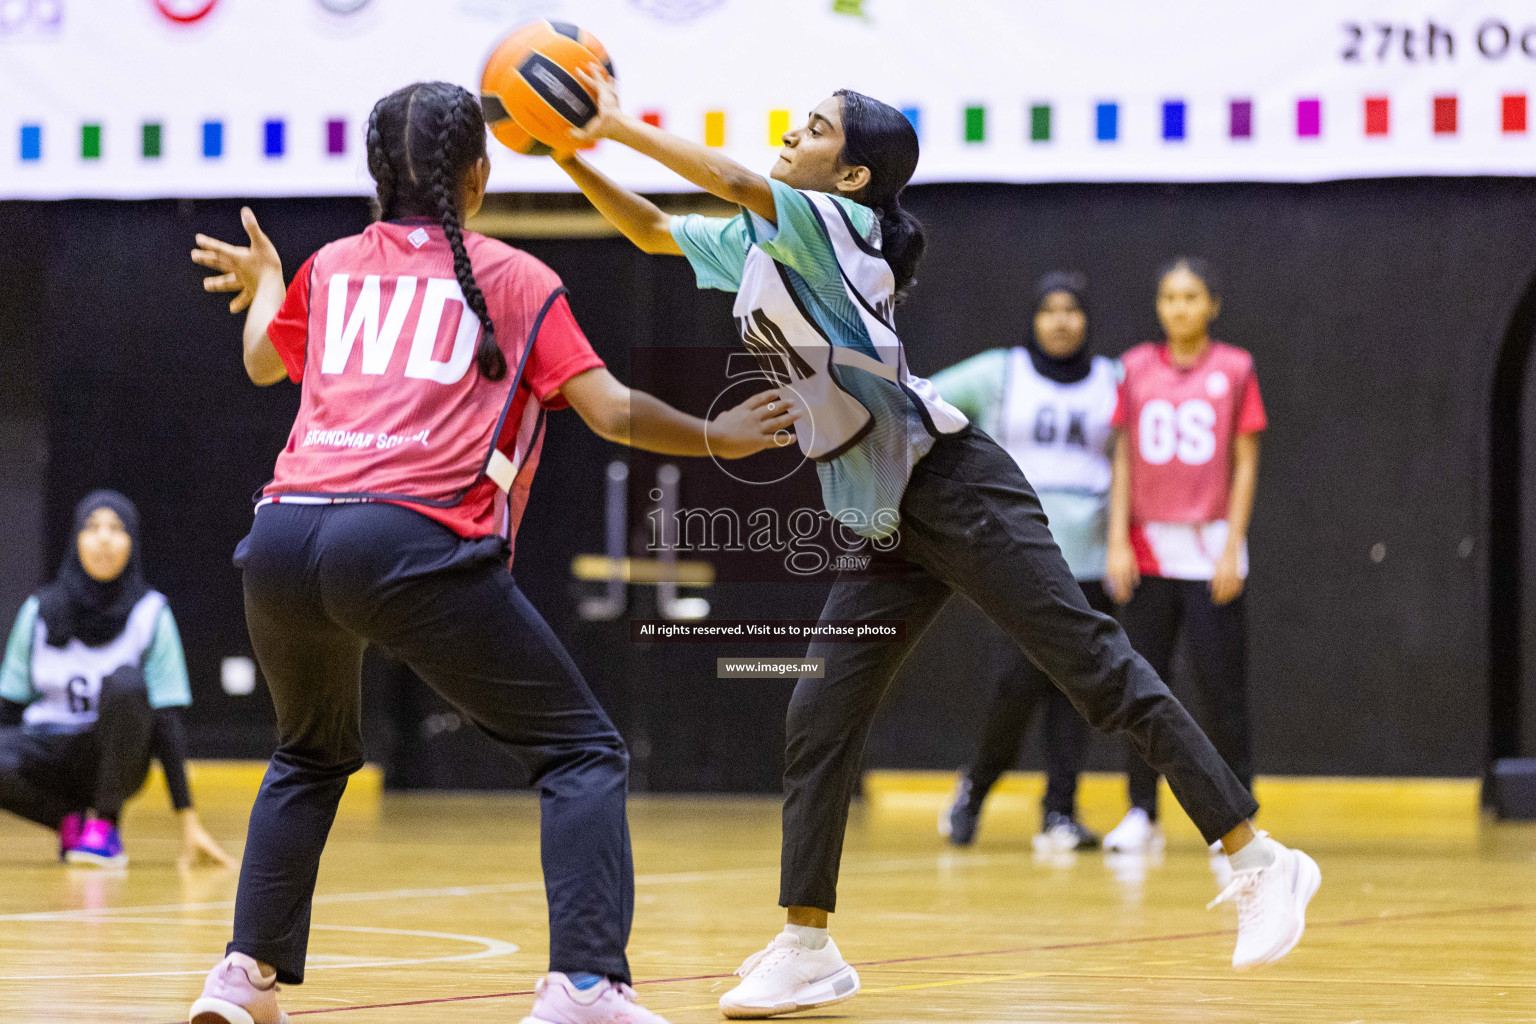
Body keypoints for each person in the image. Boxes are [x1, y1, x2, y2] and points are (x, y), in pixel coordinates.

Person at [554, 73, 1320, 1018]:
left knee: (1096, 670)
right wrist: (569, 155)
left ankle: (1259, 858)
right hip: (885, 514)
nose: (793, 133)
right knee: (819, 713)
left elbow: (732, 180)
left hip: (953, 483)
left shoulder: (837, 226)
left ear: (854, 172)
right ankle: (806, 943)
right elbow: (649, 230)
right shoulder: (763, 242)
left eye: (817, 128)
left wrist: (614, 123)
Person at [185, 82, 795, 1024]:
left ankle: (242, 976)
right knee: (581, 751)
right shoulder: (511, 275)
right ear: (480, 173)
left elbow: (264, 362)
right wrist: (726, 437)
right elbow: (612, 410)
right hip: (403, 537)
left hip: (282, 536)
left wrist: (270, 279)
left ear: (375, 174)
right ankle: (585, 984)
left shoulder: (334, 265)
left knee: (306, 756)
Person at [931, 272, 1113, 853]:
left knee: (1077, 690)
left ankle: (1059, 811)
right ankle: (975, 790)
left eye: (1072, 310)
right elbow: (921, 399)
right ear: (1034, 320)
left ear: (1087, 320)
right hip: (1017, 554)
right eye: (1049, 311)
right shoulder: (999, 372)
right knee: (1016, 683)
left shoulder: (1114, 381)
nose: (1061, 321)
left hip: (1091, 559)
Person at [1102, 258, 1264, 862]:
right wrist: (1117, 540)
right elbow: (1122, 459)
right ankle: (1142, 811)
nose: (1179, 307)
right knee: (1141, 685)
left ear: (1211, 305)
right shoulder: (1135, 367)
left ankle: (1239, 814)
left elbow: (1245, 461)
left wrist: (1232, 546)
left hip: (1210, 546)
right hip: (1147, 547)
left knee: (1223, 689)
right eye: (1169, 296)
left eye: (1191, 296)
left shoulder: (1235, 368)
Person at [0, 490, 234, 870]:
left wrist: (189, 821)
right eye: (92, 527)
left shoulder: (151, 612)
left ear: (132, 544)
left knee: (127, 684)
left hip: (114, 759)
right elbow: (9, 709)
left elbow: (166, 721)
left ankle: (105, 827)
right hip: (47, 753)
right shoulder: (39, 610)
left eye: (117, 528)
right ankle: (69, 822)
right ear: (76, 539)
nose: (104, 538)